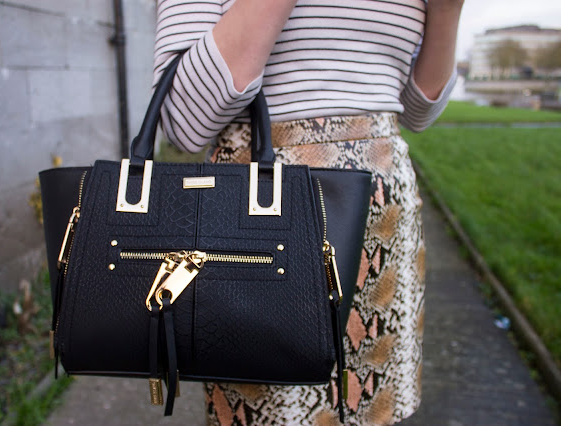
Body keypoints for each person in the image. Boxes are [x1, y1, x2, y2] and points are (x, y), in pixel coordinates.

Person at [152, 0, 463, 424]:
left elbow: (417, 112)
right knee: (270, 410)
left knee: (373, 408)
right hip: (261, 221)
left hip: (382, 223)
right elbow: (185, 122)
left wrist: (447, 12)